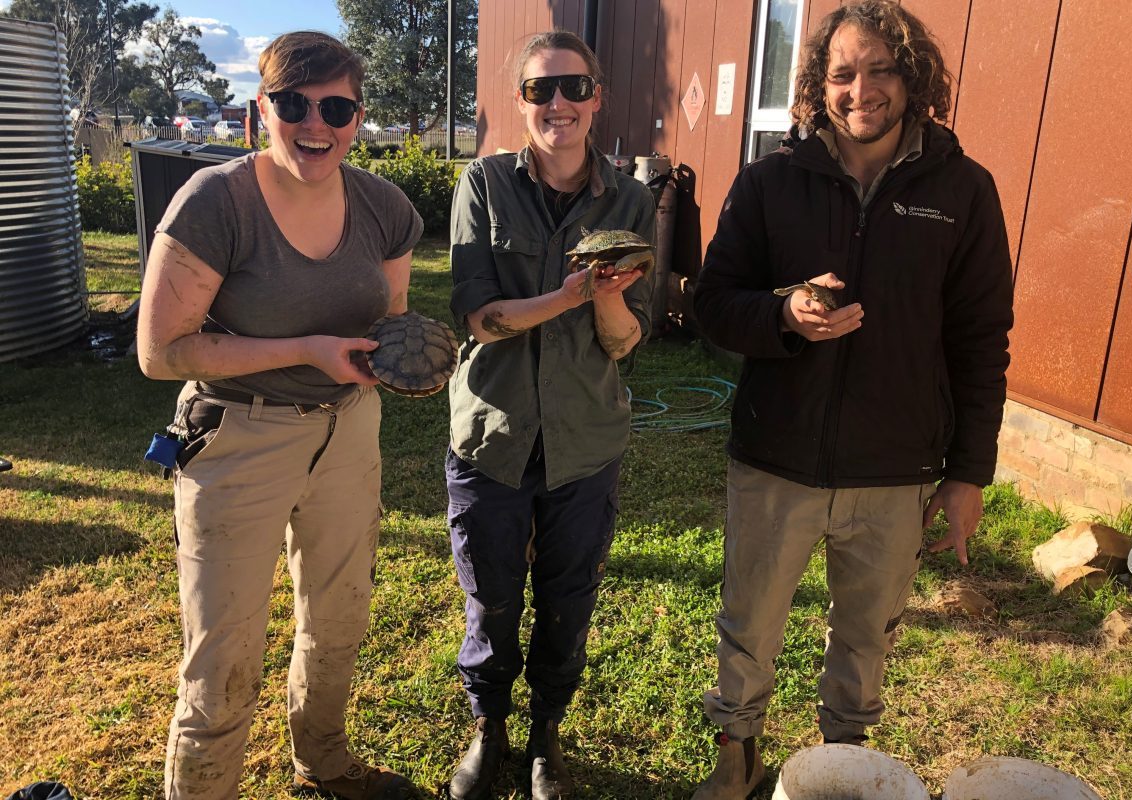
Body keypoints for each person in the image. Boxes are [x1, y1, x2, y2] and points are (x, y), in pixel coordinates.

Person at [689, 1, 1014, 796]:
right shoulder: (771, 182)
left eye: (879, 70)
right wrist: (782, 315)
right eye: (841, 73)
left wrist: (968, 472)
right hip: (777, 456)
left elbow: (982, 339)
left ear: (912, 77)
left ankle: (845, 765)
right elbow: (711, 301)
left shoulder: (964, 191)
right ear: (818, 83)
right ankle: (737, 754)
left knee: (866, 639)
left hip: (895, 468)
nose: (859, 89)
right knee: (749, 627)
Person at [136, 31, 423, 800]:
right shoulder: (215, 201)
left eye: (336, 106)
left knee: (339, 619)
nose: (315, 123)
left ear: (359, 116)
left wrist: (399, 359)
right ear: (262, 107)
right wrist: (306, 347)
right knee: (223, 653)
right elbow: (161, 351)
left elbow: (392, 318)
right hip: (240, 437)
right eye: (293, 103)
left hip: (350, 432)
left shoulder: (384, 207)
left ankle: (323, 760)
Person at [444, 30, 655, 800]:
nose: (557, 104)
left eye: (572, 88)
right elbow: (477, 316)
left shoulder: (633, 200)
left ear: (597, 96)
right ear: (521, 102)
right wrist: (569, 293)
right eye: (539, 90)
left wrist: (607, 303)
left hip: (585, 440)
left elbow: (628, 341)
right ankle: (487, 730)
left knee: (569, 601)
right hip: (492, 436)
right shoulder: (485, 184)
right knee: (491, 598)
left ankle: (544, 741)